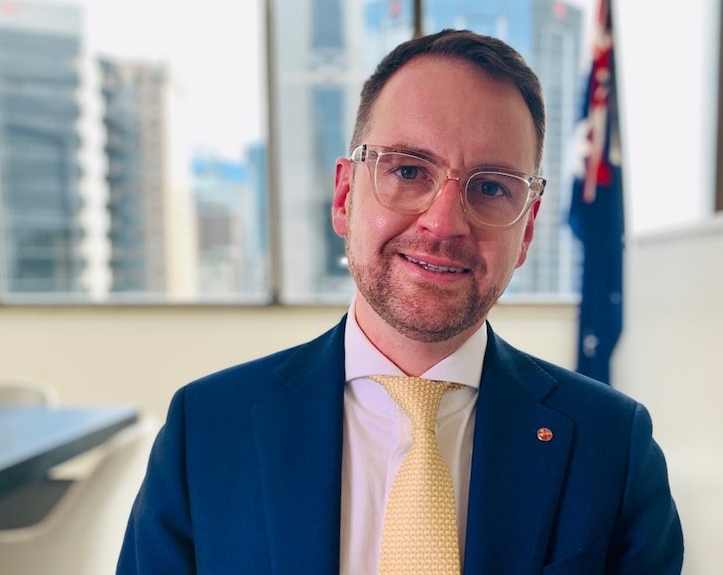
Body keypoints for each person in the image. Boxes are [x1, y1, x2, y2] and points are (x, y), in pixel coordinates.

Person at [117, 29, 683, 575]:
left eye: (490, 187)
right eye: (409, 171)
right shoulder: (208, 431)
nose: (442, 223)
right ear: (345, 196)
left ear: (527, 229)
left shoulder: (613, 447)